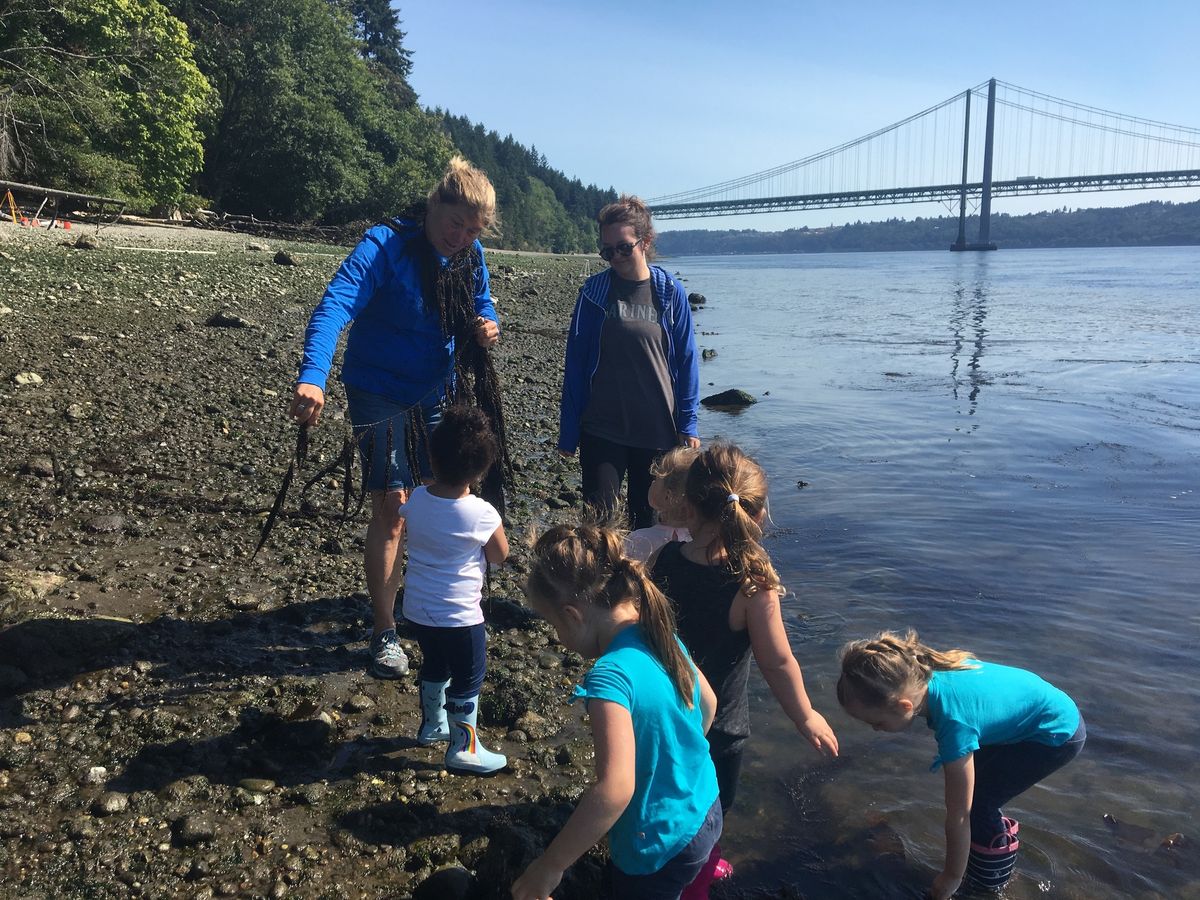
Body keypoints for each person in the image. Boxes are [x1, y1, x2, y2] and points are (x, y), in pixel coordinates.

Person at [290, 156, 502, 680]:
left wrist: (487, 324)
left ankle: (433, 604)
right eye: (455, 223)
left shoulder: (470, 253)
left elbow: (483, 301)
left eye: (473, 230)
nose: (461, 237)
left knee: (446, 495)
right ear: (434, 206)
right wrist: (313, 375)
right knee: (393, 506)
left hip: (437, 392)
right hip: (378, 391)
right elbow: (336, 303)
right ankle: (384, 630)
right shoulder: (385, 245)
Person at [514, 524, 721, 900]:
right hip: (706, 807)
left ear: (572, 615)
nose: (558, 636)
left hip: (656, 844)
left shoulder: (610, 676)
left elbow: (615, 790)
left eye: (553, 624)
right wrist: (676, 760)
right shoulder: (658, 631)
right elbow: (708, 705)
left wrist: (550, 866)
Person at [649, 443, 839, 819]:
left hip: (664, 714)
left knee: (666, 792)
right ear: (759, 513)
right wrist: (805, 716)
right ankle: (705, 864)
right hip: (720, 729)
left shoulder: (663, 560)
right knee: (712, 808)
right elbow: (778, 663)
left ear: (688, 506)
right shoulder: (752, 587)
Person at [837, 629, 1085, 899]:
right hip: (1035, 711)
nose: (875, 729)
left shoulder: (956, 724)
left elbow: (958, 816)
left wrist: (950, 877)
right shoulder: (925, 671)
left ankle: (989, 884)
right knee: (976, 790)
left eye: (878, 722)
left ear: (904, 706)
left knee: (978, 803)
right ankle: (986, 858)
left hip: (1055, 733)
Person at [558, 195, 700, 530]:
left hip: (657, 432)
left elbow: (686, 359)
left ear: (645, 241)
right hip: (602, 430)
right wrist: (568, 433)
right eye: (607, 251)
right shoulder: (594, 293)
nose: (615, 257)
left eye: (623, 248)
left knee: (648, 527)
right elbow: (576, 364)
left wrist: (689, 424)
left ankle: (641, 584)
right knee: (598, 527)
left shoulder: (669, 292)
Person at [399, 405, 509, 775]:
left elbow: (409, 523)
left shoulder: (415, 499)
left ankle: (433, 725)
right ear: (481, 470)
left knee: (435, 665)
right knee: (468, 677)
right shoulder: (482, 513)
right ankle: (464, 748)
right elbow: (499, 555)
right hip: (460, 615)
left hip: (418, 608)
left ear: (431, 456)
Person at [623, 445, 697, 563]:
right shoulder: (698, 543)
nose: (652, 482)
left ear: (668, 496)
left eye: (657, 479)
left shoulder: (637, 540)